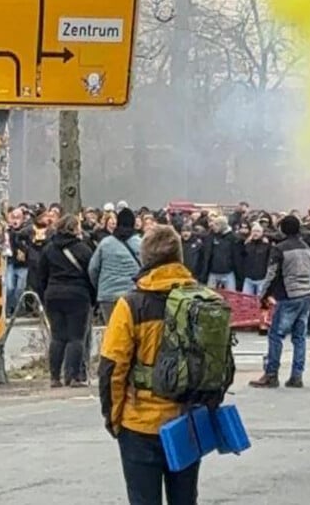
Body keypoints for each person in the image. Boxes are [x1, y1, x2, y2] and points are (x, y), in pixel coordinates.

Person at [99, 226, 202, 505]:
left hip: (140, 423)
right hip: (187, 419)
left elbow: (112, 368)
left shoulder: (132, 305)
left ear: (144, 258)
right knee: (185, 499)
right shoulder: (202, 300)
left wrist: (114, 418)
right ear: (179, 256)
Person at [250, 215, 310, 389]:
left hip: (289, 294)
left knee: (275, 335)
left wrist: (264, 294)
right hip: (307, 293)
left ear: (283, 229)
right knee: (299, 337)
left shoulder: (279, 249)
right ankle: (297, 376)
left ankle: (271, 374)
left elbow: (272, 274)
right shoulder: (307, 248)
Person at [39, 214, 95, 388]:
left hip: (53, 294)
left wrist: (45, 293)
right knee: (75, 337)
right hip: (77, 295)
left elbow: (41, 275)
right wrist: (92, 297)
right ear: (75, 229)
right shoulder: (83, 249)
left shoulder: (49, 249)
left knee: (57, 337)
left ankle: (54, 377)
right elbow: (91, 274)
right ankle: (73, 376)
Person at [88, 208, 141, 325]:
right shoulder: (140, 243)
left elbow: (93, 269)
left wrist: (100, 286)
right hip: (132, 294)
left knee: (112, 329)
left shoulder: (105, 243)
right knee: (130, 329)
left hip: (107, 295)